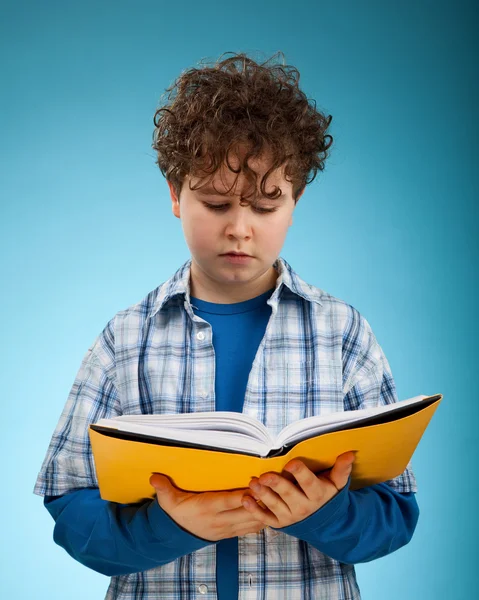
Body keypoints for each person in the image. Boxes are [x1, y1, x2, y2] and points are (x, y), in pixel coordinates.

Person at [34, 52, 419, 600]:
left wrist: (323, 513)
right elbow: (68, 504)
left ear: (296, 199)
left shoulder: (343, 334)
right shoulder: (125, 341)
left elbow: (397, 515)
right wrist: (170, 527)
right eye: (216, 203)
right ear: (174, 194)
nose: (240, 229)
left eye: (266, 206)